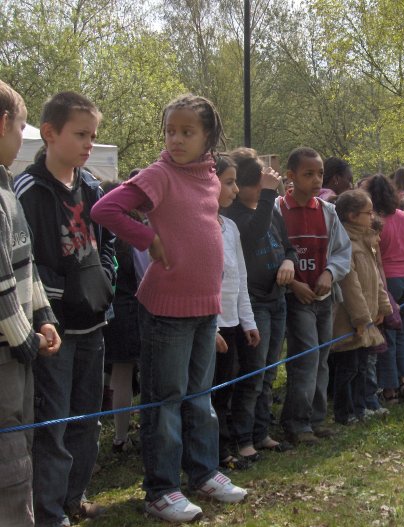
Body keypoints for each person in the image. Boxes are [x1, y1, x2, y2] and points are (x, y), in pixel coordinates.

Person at [91, 94, 247, 522]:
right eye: (170, 131)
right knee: (165, 400)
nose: (175, 139)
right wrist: (148, 239)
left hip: (205, 307)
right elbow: (106, 208)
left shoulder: (210, 176)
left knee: (199, 396)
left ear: (208, 136)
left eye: (186, 132)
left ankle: (203, 472)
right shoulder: (160, 174)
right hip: (166, 308)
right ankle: (161, 489)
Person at [14, 91, 116, 526]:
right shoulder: (28, 191)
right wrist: (55, 304)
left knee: (87, 418)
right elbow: (25, 263)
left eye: (93, 136)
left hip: (93, 324)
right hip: (55, 331)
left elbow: (108, 241)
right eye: (80, 135)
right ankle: (50, 511)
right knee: (52, 423)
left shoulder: (91, 186)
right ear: (50, 134)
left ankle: (75, 497)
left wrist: (105, 278)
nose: (89, 144)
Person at [0, 80, 61, 527]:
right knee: (8, 457)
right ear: (3, 123)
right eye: (22, 128)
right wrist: (25, 341)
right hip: (6, 355)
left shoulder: (6, 189)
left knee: (20, 442)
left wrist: (43, 315)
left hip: (19, 348)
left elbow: (26, 265)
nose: (23, 139)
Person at [222, 147, 296, 458]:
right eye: (256, 185)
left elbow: (288, 246)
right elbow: (253, 235)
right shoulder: (234, 216)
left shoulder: (271, 210)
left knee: (269, 372)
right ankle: (243, 439)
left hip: (277, 299)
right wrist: (267, 195)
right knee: (252, 373)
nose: (260, 190)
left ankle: (261, 431)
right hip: (254, 303)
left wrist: (289, 261)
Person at [276, 147, 351, 446]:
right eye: (309, 174)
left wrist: (330, 273)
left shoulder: (328, 212)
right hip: (296, 298)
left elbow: (343, 251)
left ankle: (315, 418)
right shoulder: (278, 210)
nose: (317, 179)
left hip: (323, 297)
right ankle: (297, 422)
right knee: (305, 358)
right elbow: (272, 254)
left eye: (320, 173)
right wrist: (294, 284)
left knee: (321, 358)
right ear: (291, 176)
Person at [208, 154, 261, 468]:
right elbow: (200, 281)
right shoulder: (199, 226)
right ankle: (215, 453)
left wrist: (247, 321)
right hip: (210, 326)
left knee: (226, 389)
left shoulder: (229, 227)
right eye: (229, 182)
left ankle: (224, 447)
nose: (236, 190)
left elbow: (240, 277)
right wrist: (211, 327)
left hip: (232, 322)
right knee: (210, 392)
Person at [331, 190, 391, 424]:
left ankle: (360, 408)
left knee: (362, 366)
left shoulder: (366, 241)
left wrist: (382, 307)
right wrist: (361, 319)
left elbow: (375, 278)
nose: (372, 216)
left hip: (368, 318)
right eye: (368, 213)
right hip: (351, 320)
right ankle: (344, 412)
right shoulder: (345, 242)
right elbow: (350, 285)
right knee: (348, 368)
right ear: (352, 215)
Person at [366, 174, 404, 402]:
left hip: (389, 278)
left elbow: (378, 260)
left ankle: (389, 387)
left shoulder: (376, 222)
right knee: (401, 332)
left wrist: (382, 289)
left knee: (387, 333)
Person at [100, 177, 144, 455]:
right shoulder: (129, 235)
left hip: (109, 310)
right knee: (125, 373)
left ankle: (119, 433)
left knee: (116, 372)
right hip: (129, 310)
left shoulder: (99, 233)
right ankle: (120, 435)